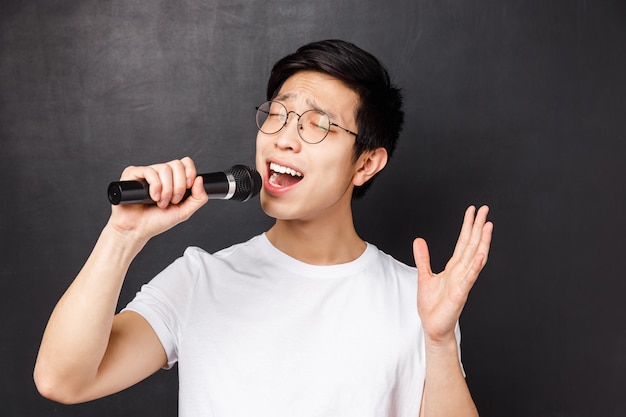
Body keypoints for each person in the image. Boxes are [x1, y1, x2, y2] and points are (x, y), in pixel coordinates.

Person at [34, 39, 493, 417]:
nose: (284, 138)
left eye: (318, 125)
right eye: (277, 114)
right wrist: (122, 238)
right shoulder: (199, 280)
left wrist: (437, 341)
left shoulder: (416, 299)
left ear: (367, 163)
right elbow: (62, 380)